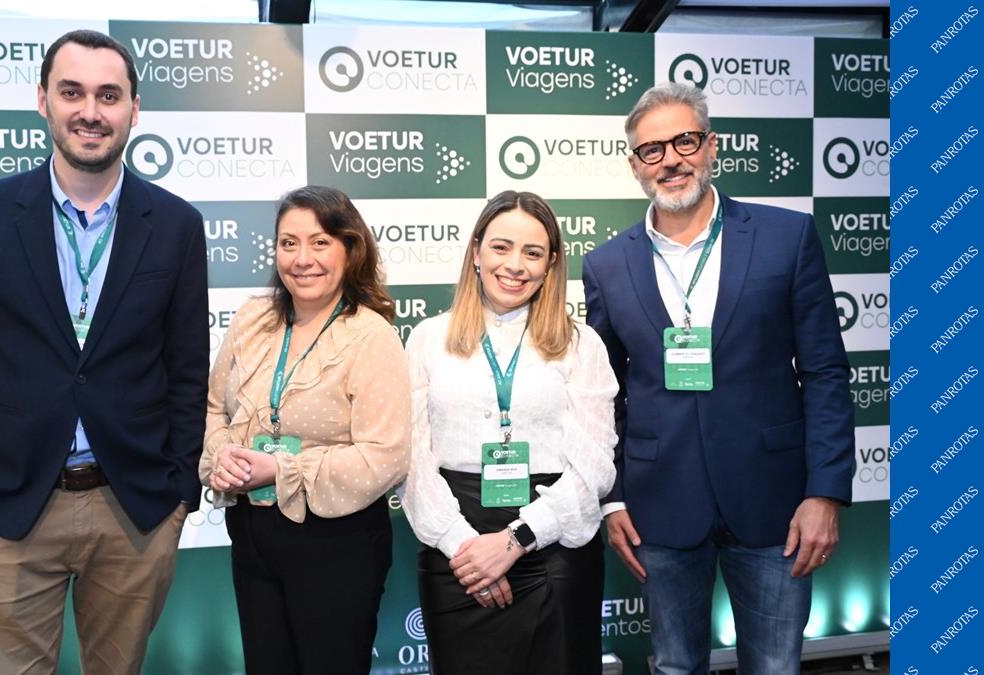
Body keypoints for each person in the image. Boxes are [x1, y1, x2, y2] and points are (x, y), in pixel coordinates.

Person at [0, 30, 208, 675]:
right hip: (2, 507)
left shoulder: (177, 225)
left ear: (134, 108)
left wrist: (178, 494)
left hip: (133, 508)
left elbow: (187, 372)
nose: (90, 111)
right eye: (72, 92)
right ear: (43, 101)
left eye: (109, 95)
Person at [581, 82, 854, 675]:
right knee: (675, 666)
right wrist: (613, 497)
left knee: (775, 666)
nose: (670, 159)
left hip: (776, 503)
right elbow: (605, 397)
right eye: (652, 150)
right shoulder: (605, 265)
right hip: (658, 507)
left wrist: (825, 492)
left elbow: (826, 372)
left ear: (711, 146)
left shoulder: (787, 237)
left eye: (685, 141)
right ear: (635, 165)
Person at [401, 191, 618, 675]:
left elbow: (594, 468)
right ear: (476, 250)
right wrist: (465, 548)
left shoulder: (581, 344)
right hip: (455, 553)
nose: (515, 265)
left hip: (555, 549)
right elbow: (411, 461)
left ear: (551, 263)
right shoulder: (428, 339)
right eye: (501, 247)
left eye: (532, 252)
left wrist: (516, 539)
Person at [199, 185, 410, 674]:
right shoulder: (252, 319)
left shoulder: (371, 335)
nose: (302, 259)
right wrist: (222, 455)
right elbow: (213, 409)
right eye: (288, 243)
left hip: (337, 543)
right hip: (252, 532)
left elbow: (386, 456)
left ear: (349, 249)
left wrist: (279, 469)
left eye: (320, 243)